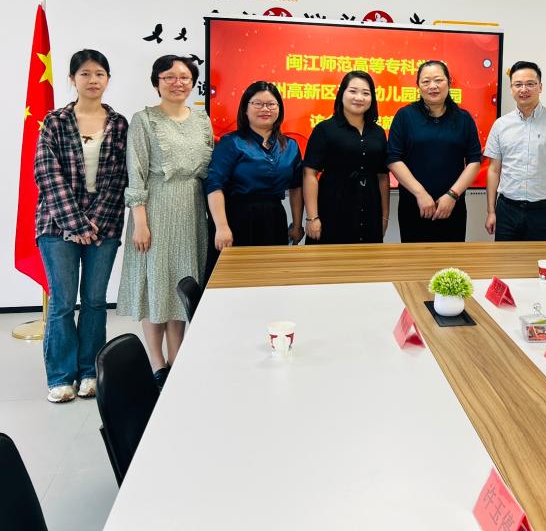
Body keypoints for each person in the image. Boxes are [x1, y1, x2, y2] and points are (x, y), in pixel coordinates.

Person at [34, 50, 128, 404]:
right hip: (57, 225)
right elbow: (47, 173)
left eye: (100, 73)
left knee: (94, 301)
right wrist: (75, 222)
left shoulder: (118, 124)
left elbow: (119, 176)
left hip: (104, 226)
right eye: (85, 73)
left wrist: (95, 223)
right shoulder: (55, 121)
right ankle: (60, 377)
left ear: (107, 79)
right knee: (61, 302)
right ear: (72, 79)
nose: (93, 80)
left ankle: (90, 371)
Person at [117, 55, 213, 387]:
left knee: (181, 284)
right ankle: (157, 363)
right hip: (155, 210)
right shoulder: (144, 120)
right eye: (169, 76)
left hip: (191, 210)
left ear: (193, 82)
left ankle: (177, 357)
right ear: (156, 82)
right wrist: (140, 222)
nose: (177, 83)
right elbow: (136, 173)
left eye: (184, 77)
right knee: (156, 284)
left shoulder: (202, 119)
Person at [204, 81, 304, 275]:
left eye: (271, 104)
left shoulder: (290, 145)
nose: (265, 109)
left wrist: (297, 224)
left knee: (270, 277)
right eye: (257, 103)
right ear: (245, 108)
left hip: (274, 219)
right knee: (234, 276)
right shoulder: (231, 142)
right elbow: (214, 185)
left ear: (279, 109)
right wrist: (222, 227)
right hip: (236, 218)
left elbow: (296, 187)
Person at [387, 61, 482, 242]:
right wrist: (420, 194)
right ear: (418, 85)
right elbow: (393, 158)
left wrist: (452, 195)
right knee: (414, 257)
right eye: (426, 81)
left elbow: (474, 161)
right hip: (414, 205)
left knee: (451, 257)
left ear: (449, 82)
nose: (433, 86)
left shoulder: (463, 118)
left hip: (452, 206)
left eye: (438, 80)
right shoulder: (405, 116)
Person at [484, 61, 546, 241]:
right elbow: (493, 170)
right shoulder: (500, 125)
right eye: (518, 84)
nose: (524, 89)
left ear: (540, 87)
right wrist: (491, 211)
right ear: (511, 89)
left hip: (544, 211)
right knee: (505, 259)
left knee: (542, 259)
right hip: (507, 210)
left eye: (530, 84)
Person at [303, 71, 390, 244]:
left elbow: (382, 177)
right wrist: (312, 217)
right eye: (353, 91)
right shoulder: (325, 129)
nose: (359, 97)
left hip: (369, 213)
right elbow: (309, 174)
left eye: (366, 93)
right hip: (332, 211)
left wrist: (384, 216)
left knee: (368, 259)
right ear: (341, 93)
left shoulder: (378, 133)